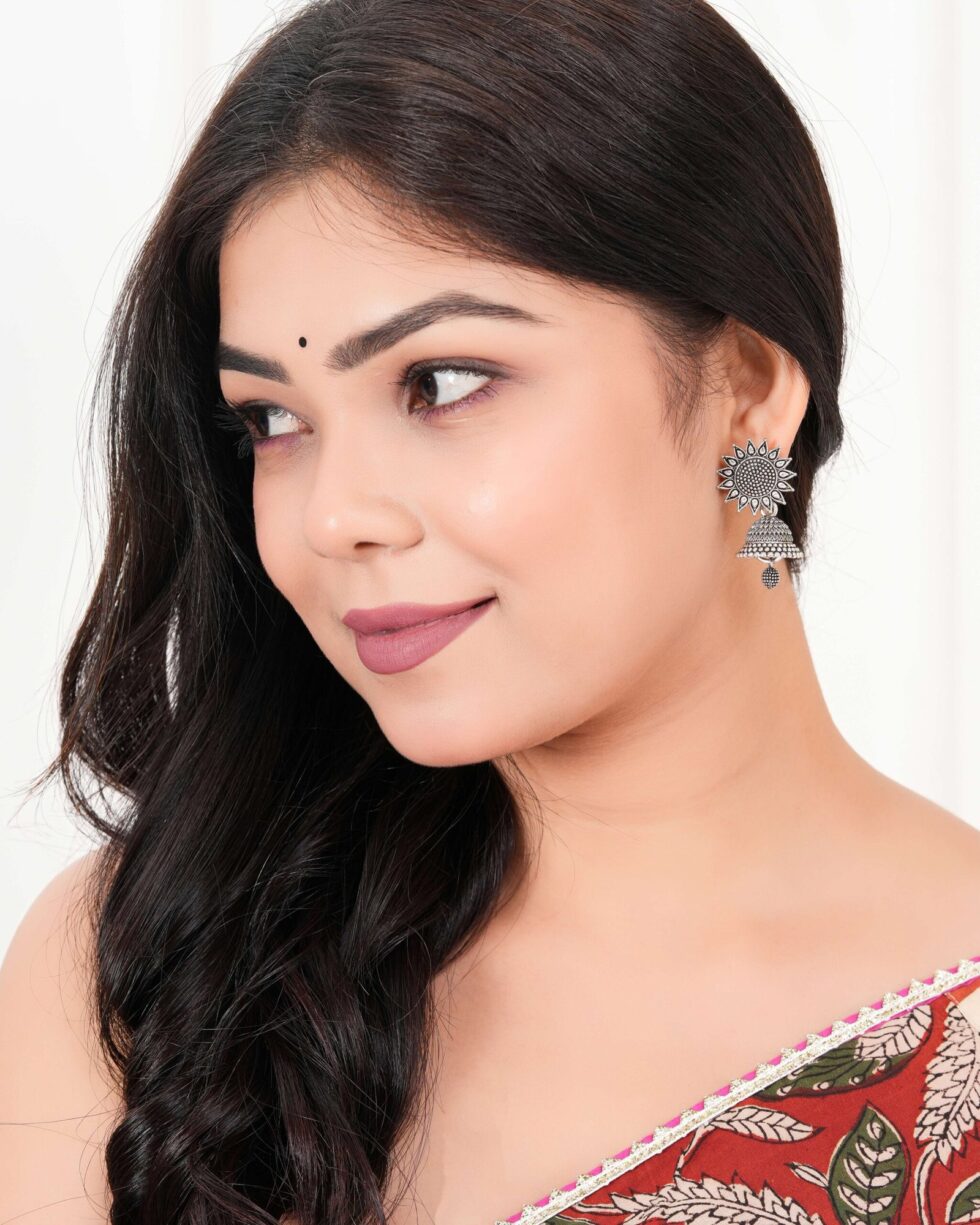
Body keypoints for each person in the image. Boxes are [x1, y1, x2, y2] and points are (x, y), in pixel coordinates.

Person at [2, 0, 979, 1222]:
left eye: (443, 382)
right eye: (274, 420)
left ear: (745, 389)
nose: (333, 516)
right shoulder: (161, 975)